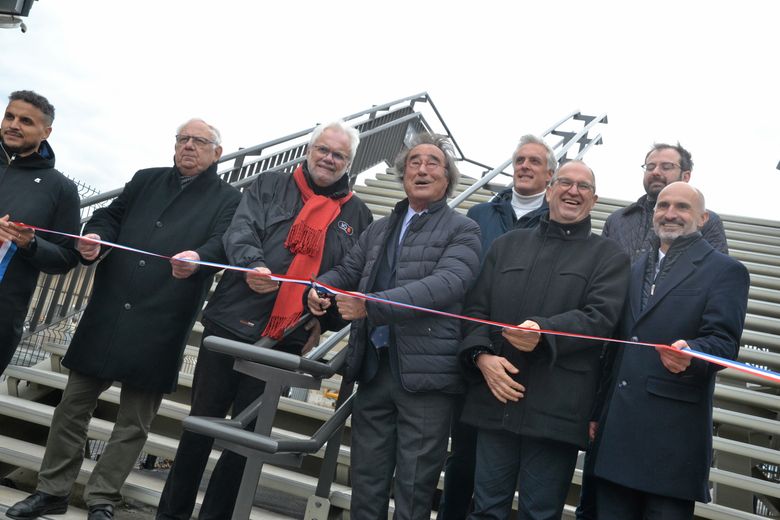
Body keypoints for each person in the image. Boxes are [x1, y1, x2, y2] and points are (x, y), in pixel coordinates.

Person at [6, 119, 241, 520]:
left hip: (163, 317)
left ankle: (103, 497)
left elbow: (222, 242)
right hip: (110, 307)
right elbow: (108, 217)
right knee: (71, 407)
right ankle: (52, 491)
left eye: (199, 142)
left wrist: (200, 260)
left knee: (133, 422)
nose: (188, 146)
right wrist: (95, 237)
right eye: (182, 139)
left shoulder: (228, 199)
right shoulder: (145, 179)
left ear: (216, 153)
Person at [156, 120, 372, 520]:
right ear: (310, 149)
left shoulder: (358, 214)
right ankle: (171, 514)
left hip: (285, 340)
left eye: (338, 155)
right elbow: (241, 230)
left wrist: (319, 322)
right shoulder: (270, 183)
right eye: (323, 149)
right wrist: (251, 265)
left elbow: (352, 276)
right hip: (231, 323)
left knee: (246, 443)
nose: (328, 159)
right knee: (200, 428)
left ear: (350, 162)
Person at [307, 133, 481, 520]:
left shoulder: (463, 230)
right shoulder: (379, 228)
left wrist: (372, 306)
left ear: (448, 179)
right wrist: (319, 288)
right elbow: (348, 271)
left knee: (415, 486)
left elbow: (447, 284)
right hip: (372, 368)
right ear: (402, 175)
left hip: (427, 378)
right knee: (365, 479)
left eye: (433, 162)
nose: (421, 168)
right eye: (414, 162)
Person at [458, 160, 630, 519]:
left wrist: (543, 331)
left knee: (540, 513)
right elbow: (475, 309)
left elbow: (601, 318)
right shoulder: (507, 245)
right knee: (485, 510)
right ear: (549, 190)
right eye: (565, 183)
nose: (573, 191)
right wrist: (481, 356)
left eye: (583, 187)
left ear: (594, 200)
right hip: (496, 402)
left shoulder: (609, 256)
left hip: (557, 412)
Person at [577, 142, 731, 520]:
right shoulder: (632, 269)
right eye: (662, 206)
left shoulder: (725, 271)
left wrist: (692, 353)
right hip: (618, 432)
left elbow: (723, 343)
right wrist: (598, 409)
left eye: (682, 207)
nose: (670, 213)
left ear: (703, 218)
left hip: (672, 439)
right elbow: (614, 345)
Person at [438, 134, 554, 519]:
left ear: (550, 175)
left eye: (535, 161)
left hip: (525, 358)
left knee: (507, 468)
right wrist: (475, 347)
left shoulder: (557, 223)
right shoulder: (481, 215)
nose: (525, 166)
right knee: (465, 456)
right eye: (520, 159)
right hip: (473, 352)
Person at [0, 90, 80, 376]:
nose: (13, 125)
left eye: (25, 121)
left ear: (46, 131)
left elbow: (67, 256)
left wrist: (31, 244)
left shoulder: (61, 190)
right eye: (9, 116)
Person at [601, 142, 728, 263]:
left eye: (666, 167)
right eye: (650, 167)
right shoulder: (617, 219)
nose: (655, 172)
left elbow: (717, 272)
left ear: (686, 176)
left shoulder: (707, 221)